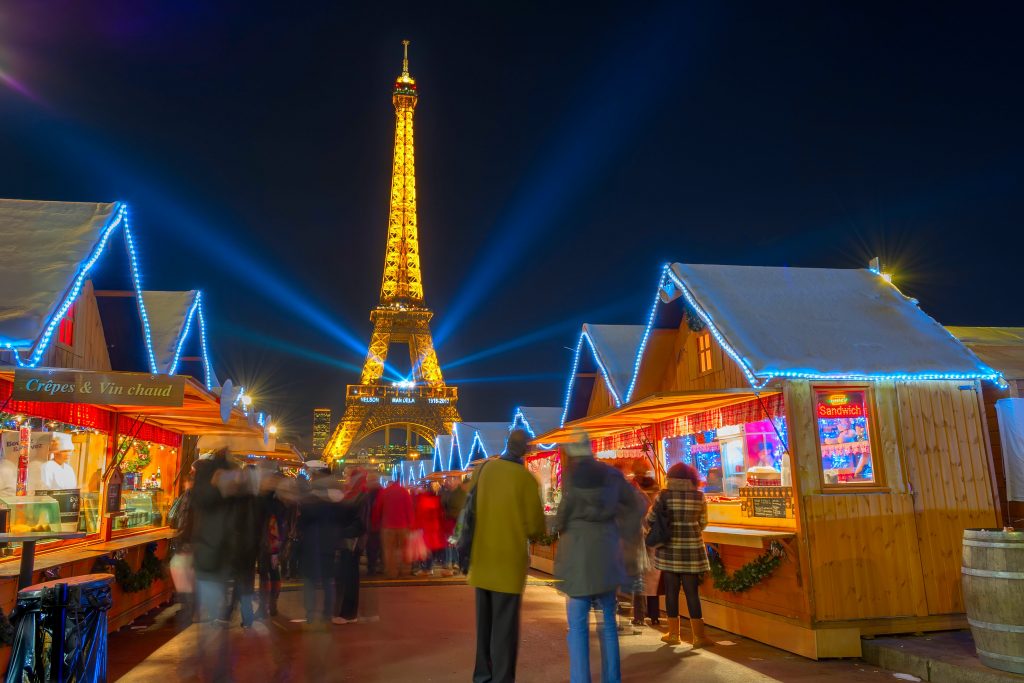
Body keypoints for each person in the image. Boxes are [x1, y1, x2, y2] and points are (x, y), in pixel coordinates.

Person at [555, 434, 645, 683]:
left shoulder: (572, 479)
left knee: (578, 627)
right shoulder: (612, 476)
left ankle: (580, 679)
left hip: (577, 558)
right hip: (606, 552)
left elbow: (561, 517)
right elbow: (638, 505)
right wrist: (623, 532)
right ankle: (612, 678)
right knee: (607, 624)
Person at [468, 429, 545, 683]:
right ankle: (501, 679)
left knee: (484, 627)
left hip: (482, 560)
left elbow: (471, 507)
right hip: (508, 565)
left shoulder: (484, 470)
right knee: (505, 629)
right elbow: (535, 528)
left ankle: (482, 676)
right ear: (525, 450)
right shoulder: (525, 480)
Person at [650, 462, 711, 648]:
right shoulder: (699, 496)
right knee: (692, 593)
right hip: (692, 550)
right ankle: (699, 637)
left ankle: (674, 634)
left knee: (671, 592)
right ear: (692, 478)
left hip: (669, 550)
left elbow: (650, 519)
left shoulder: (663, 496)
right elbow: (703, 522)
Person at [297, 460, 341, 626]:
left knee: (309, 581)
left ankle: (310, 613)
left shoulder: (311, 495)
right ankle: (327, 614)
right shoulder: (337, 494)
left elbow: (303, 520)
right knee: (328, 580)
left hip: (312, 542)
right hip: (330, 541)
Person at [334, 467, 369, 624]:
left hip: (352, 542)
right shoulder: (350, 493)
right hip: (345, 540)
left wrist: (343, 532)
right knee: (344, 577)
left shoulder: (361, 496)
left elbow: (361, 522)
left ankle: (348, 613)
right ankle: (343, 612)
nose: (347, 478)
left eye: (350, 476)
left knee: (349, 578)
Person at [632, 475, 662, 627]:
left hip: (640, 542)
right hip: (654, 543)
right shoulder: (656, 502)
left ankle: (639, 616)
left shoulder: (638, 500)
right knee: (652, 582)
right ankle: (654, 615)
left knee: (640, 580)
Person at [372, 479, 414, 579]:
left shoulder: (384, 492)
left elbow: (378, 509)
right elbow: (409, 508)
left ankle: (391, 572)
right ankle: (405, 571)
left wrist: (375, 523)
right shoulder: (404, 492)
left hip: (387, 526)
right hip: (403, 526)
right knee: (404, 549)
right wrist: (411, 523)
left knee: (389, 551)